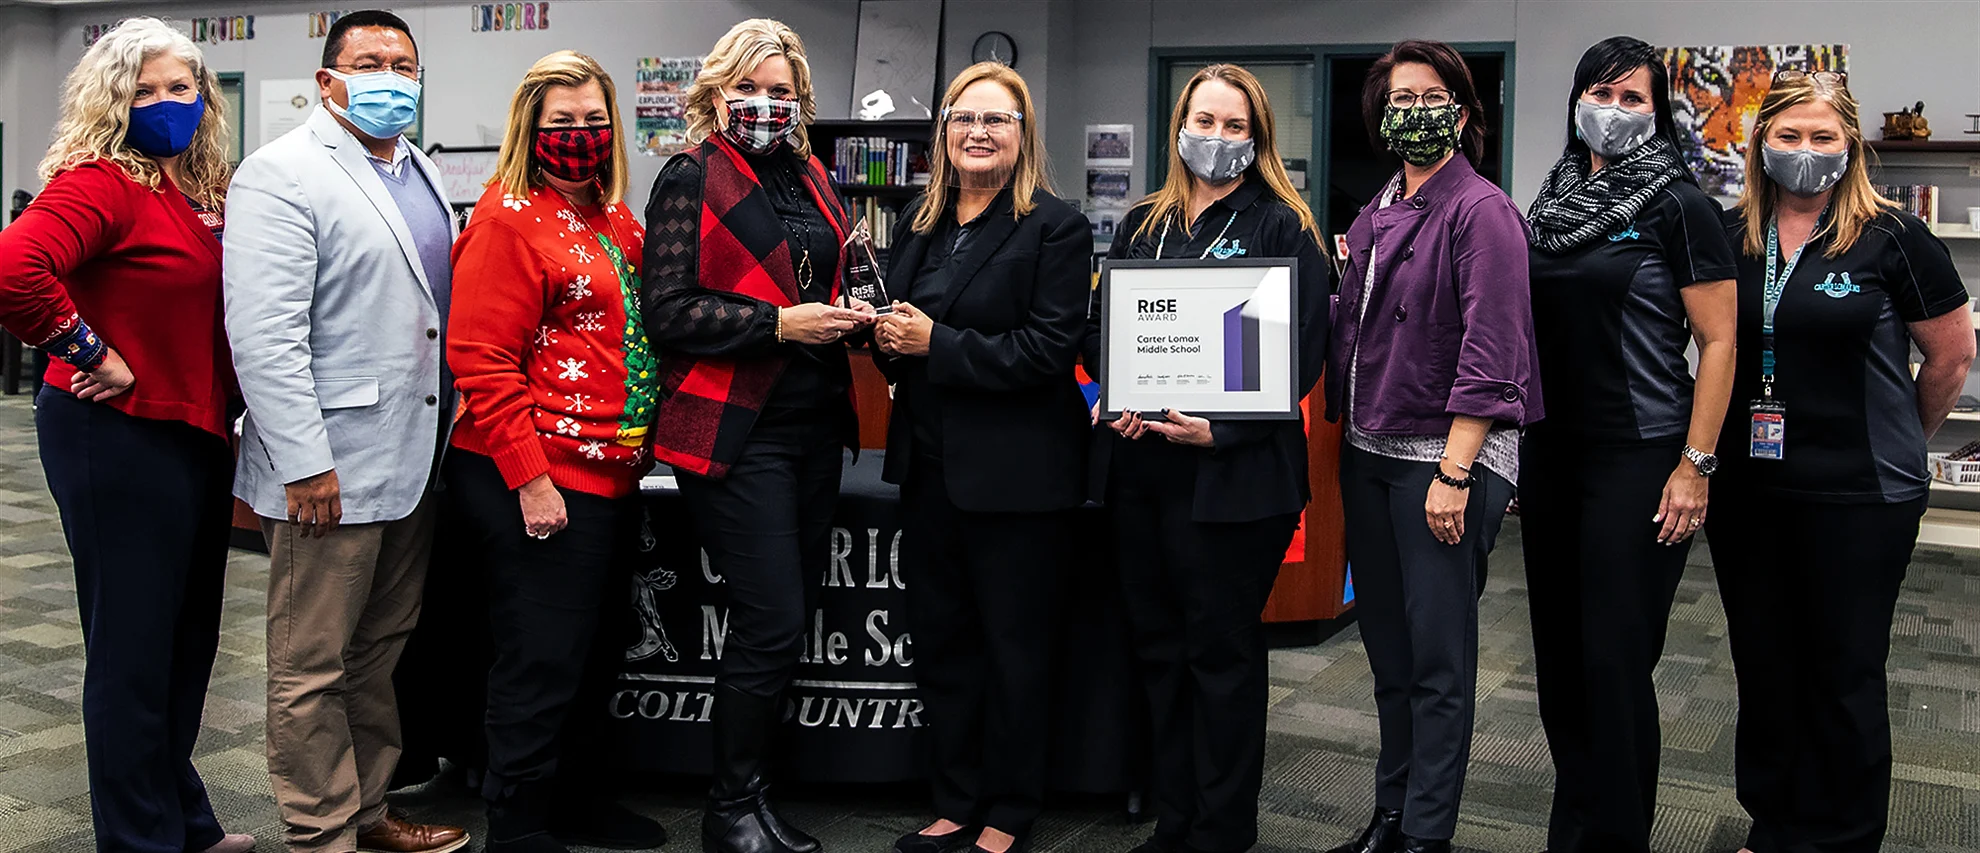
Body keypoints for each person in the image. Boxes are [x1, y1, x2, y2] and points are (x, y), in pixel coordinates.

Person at [0, 18, 252, 853]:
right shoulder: (100, 182)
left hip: (193, 432)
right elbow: (13, 268)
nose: (165, 102)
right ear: (111, 100)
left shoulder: (201, 188)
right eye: (143, 90)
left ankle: (180, 816)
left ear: (204, 96)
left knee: (186, 647)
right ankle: (139, 840)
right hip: (115, 435)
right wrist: (85, 347)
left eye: (180, 87)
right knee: (133, 653)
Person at [1708, 69, 1973, 853]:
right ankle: (1774, 819)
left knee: (1843, 671)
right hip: (1752, 490)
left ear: (1849, 144)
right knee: (1764, 665)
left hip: (1862, 495)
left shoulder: (1894, 236)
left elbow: (1952, 358)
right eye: (1788, 135)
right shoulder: (1729, 235)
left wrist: (1900, 442)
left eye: (1822, 136)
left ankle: (1843, 835)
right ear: (1762, 143)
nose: (1805, 150)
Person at [223, 10, 467, 853]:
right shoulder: (281, 173)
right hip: (326, 467)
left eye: (404, 62)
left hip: (414, 457)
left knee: (378, 651)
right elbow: (265, 335)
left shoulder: (421, 174)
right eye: (370, 62)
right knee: (311, 664)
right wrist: (303, 461)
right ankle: (319, 830)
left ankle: (367, 811)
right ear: (327, 78)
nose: (391, 77)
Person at [639, 18, 876, 853]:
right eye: (748, 87)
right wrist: (781, 323)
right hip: (737, 435)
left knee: (788, 616)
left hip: (815, 426)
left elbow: (829, 270)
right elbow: (667, 311)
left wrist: (850, 317)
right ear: (715, 93)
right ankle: (728, 808)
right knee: (770, 619)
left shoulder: (813, 175)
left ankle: (757, 795)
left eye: (780, 91)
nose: (764, 104)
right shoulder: (689, 175)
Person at [1082, 63, 1331, 853]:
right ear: (1178, 126)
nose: (1216, 139)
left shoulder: (1284, 226)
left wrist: (1220, 428)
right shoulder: (1143, 223)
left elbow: (1302, 357)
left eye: (1234, 126)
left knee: (1219, 654)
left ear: (1257, 138)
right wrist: (1118, 396)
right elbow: (1103, 330)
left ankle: (1222, 829)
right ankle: (1176, 817)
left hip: (1236, 476)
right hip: (1142, 470)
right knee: (1158, 649)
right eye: (1205, 121)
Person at [1519, 36, 1739, 853]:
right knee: (1560, 668)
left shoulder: (1680, 206)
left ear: (1659, 112)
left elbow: (1718, 342)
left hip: (1641, 457)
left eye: (1633, 98)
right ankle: (1572, 831)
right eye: (1599, 94)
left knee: (1613, 667)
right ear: (1576, 101)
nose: (1613, 111)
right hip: (1551, 457)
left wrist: (1696, 463)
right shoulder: (1551, 200)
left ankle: (1615, 839)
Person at [446, 50, 669, 853]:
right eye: (562, 123)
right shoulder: (506, 217)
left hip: (609, 476)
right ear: (529, 130)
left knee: (595, 652)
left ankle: (578, 801)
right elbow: (479, 358)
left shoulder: (614, 219)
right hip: (533, 475)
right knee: (538, 662)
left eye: (594, 121)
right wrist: (534, 482)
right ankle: (517, 824)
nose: (582, 135)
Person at [1320, 40, 1539, 853]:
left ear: (1461, 109)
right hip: (1372, 452)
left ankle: (1428, 834)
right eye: (1398, 96)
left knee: (1439, 662)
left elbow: (1493, 349)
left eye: (1432, 93)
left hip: (1444, 463)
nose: (1415, 108)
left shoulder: (1482, 210)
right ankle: (1389, 814)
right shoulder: (1374, 211)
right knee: (1389, 656)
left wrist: (1456, 469)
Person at [875, 62, 1092, 853]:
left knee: (1015, 653)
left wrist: (937, 342)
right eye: (964, 118)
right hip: (929, 469)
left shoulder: (1056, 228)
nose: (977, 132)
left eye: (997, 120)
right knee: (943, 645)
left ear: (1022, 133)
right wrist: (884, 335)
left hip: (1020, 477)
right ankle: (955, 799)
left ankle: (1008, 810)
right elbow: (905, 335)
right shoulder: (917, 221)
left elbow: (1046, 349)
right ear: (944, 132)